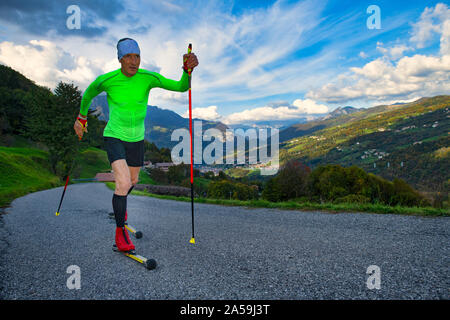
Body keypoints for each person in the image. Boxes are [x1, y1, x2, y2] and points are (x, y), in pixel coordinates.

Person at [73, 38, 198, 252]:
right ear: (120, 59)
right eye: (128, 56)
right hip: (114, 136)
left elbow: (181, 87)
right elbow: (88, 95)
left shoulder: (148, 78)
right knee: (122, 183)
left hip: (136, 139)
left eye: (137, 56)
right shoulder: (106, 80)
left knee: (132, 181)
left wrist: (187, 71)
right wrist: (81, 118)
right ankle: (120, 233)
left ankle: (120, 207)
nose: (133, 61)